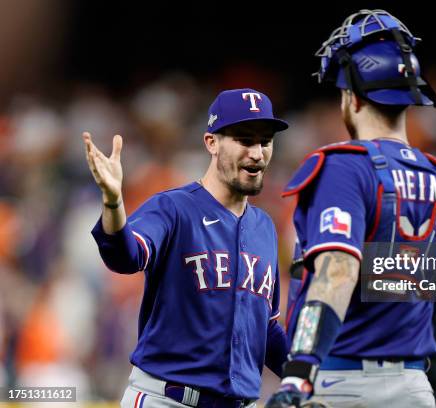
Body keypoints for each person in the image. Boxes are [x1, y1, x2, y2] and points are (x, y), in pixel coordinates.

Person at [266, 10, 436, 408]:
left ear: (352, 96)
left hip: (344, 384)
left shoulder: (344, 167)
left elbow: (338, 271)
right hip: (415, 386)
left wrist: (299, 373)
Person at [85, 88, 289, 408]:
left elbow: (267, 328)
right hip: (167, 399)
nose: (257, 152)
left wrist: (309, 377)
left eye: (265, 142)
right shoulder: (173, 208)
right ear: (212, 142)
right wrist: (113, 202)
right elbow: (125, 256)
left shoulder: (264, 228)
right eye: (245, 140)